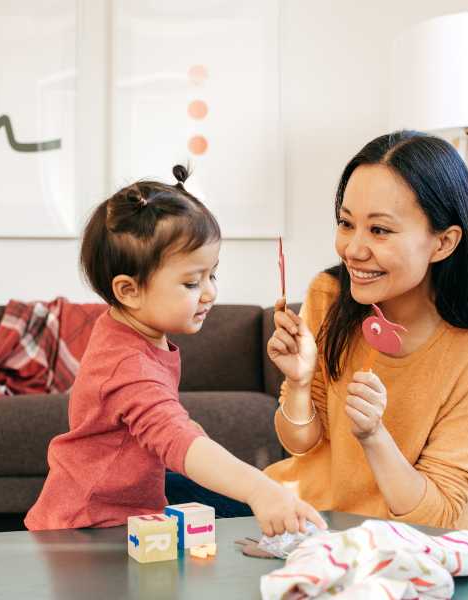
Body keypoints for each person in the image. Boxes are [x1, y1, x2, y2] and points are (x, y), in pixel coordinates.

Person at [25, 165, 325, 536]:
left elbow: (149, 418)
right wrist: (260, 490)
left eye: (211, 274)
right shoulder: (128, 363)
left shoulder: (129, 330)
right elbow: (174, 437)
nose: (210, 292)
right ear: (128, 291)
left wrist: (185, 428)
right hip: (88, 527)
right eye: (191, 282)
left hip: (121, 510)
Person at [265, 131, 468, 529]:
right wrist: (300, 383)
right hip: (312, 523)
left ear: (443, 243)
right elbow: (300, 443)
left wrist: (374, 435)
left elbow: (439, 514)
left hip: (412, 546)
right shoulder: (329, 296)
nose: (353, 250)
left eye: (380, 230)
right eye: (346, 223)